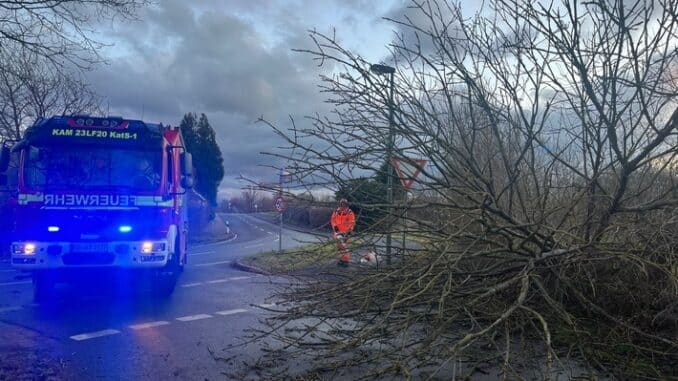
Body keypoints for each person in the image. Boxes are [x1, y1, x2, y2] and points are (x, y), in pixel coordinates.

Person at [331, 198, 356, 266]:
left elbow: (352, 222)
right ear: (340, 204)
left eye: (344, 204)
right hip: (338, 232)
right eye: (342, 203)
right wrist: (336, 229)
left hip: (345, 233)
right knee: (339, 247)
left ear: (346, 204)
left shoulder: (349, 212)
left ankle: (346, 261)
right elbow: (333, 220)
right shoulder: (336, 211)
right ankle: (341, 259)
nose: (343, 205)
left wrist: (348, 231)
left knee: (344, 246)